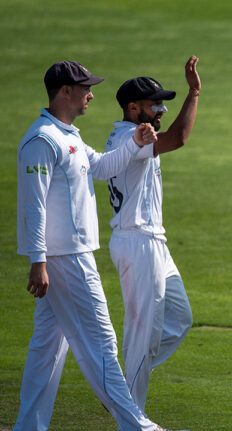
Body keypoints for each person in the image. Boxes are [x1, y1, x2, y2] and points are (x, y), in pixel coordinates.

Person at [15, 61, 168, 430]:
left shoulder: (67, 135)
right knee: (102, 344)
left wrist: (135, 143)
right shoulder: (42, 140)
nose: (91, 95)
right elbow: (33, 205)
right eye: (85, 88)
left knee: (46, 350)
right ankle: (138, 427)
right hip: (66, 259)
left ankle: (28, 426)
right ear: (65, 91)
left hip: (67, 257)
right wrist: (38, 261)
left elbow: (101, 167)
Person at [105, 56, 200, 411]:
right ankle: (131, 414)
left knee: (179, 318)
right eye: (154, 104)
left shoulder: (137, 135)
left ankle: (121, 389)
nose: (161, 110)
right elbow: (179, 138)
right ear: (133, 108)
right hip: (137, 242)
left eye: (162, 103)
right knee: (143, 336)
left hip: (152, 242)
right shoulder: (128, 137)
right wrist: (193, 93)